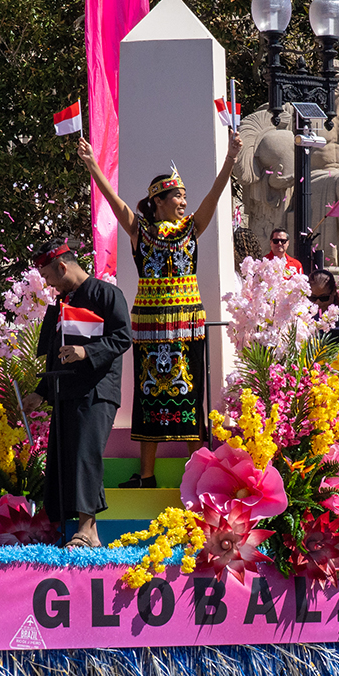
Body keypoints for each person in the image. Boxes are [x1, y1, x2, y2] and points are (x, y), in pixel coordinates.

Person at [79, 132, 242, 487]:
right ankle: (148, 475)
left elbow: (214, 198)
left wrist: (230, 159)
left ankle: (202, 476)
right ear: (160, 201)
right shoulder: (141, 231)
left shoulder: (191, 230)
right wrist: (92, 166)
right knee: (148, 396)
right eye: (179, 196)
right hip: (151, 327)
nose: (185, 201)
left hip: (187, 326)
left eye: (184, 196)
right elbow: (115, 200)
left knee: (190, 395)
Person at [22, 236, 131, 548]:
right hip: (66, 392)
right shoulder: (61, 305)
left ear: (62, 266)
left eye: (48, 278)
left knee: (85, 455)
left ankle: (88, 529)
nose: (49, 286)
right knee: (63, 458)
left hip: (96, 391)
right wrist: (40, 393)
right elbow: (57, 354)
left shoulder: (106, 293)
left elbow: (122, 337)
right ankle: (69, 530)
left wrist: (87, 352)